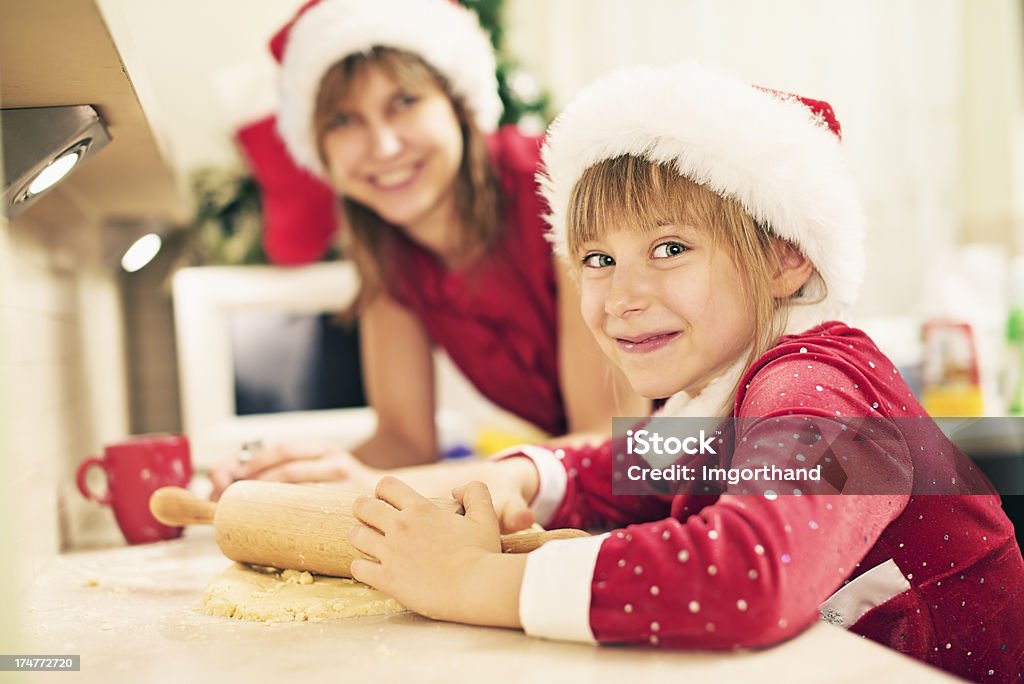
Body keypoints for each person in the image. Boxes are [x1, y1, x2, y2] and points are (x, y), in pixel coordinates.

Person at [334, 63, 1024, 681]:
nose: (623, 297)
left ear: (786, 257)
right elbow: (616, 471)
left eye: (669, 247)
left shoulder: (819, 388)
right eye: (598, 260)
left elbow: (755, 575)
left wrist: (474, 579)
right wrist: (518, 477)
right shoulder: (719, 390)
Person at [209, 0, 644, 498]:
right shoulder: (388, 254)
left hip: (726, 452)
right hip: (628, 481)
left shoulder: (563, 190)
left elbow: (612, 447)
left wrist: (368, 485)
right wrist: (289, 479)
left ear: (456, 103)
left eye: (404, 102)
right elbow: (404, 441)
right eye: (344, 120)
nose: (385, 146)